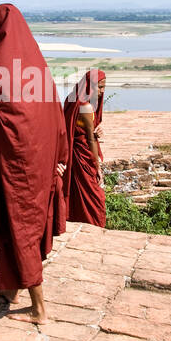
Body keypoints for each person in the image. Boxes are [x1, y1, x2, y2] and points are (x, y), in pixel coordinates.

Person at [0, 3, 67, 324]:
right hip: (38, 159)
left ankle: (38, 307)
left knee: (19, 224)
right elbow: (53, 116)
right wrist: (58, 158)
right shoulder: (35, 66)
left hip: (14, 164)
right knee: (22, 224)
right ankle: (9, 288)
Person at [63, 68, 107, 227]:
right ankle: (95, 225)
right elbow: (90, 139)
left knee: (80, 193)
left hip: (75, 154)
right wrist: (97, 167)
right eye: (99, 87)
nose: (102, 91)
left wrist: (96, 130)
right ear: (89, 85)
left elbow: (81, 127)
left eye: (104, 87)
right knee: (95, 198)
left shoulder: (73, 100)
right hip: (84, 156)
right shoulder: (86, 107)